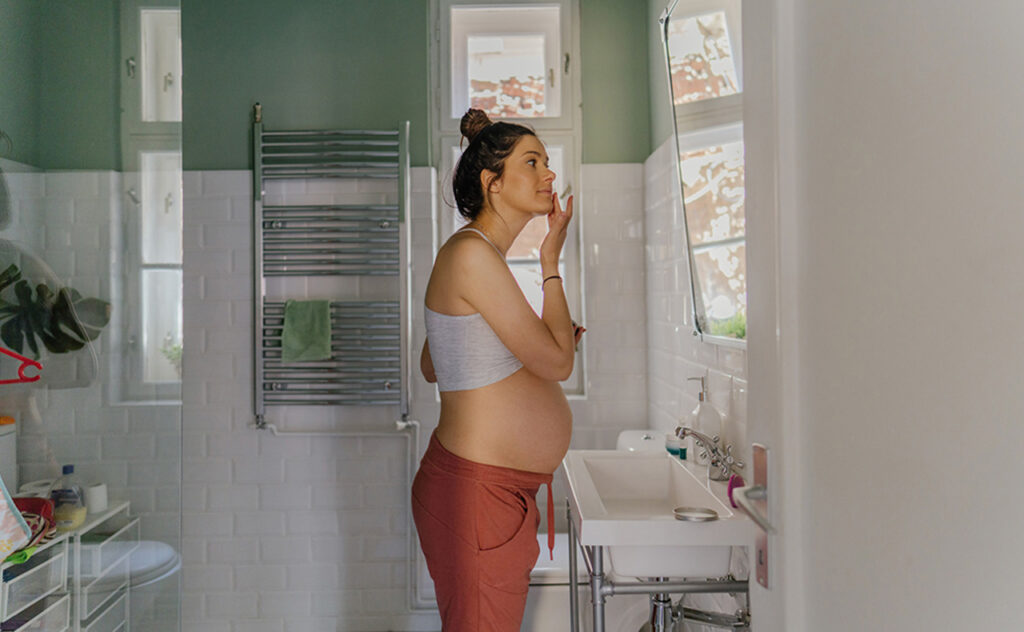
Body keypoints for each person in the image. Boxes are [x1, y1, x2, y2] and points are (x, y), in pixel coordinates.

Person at [411, 108, 584, 631]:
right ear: (493, 183)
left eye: (547, 161)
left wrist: (510, 351)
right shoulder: (472, 255)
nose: (548, 173)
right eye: (532, 162)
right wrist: (551, 261)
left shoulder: (477, 254)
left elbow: (433, 363)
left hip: (490, 492)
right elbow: (559, 363)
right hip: (477, 493)